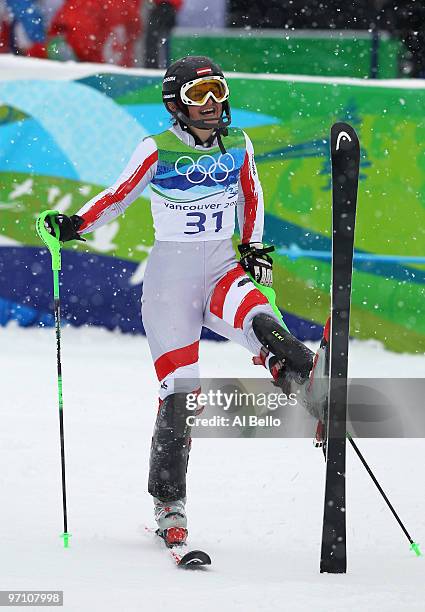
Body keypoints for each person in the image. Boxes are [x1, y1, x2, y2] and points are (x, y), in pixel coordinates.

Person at [44, 56, 326, 548]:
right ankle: (169, 504)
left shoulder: (239, 144)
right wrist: (74, 225)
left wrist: (253, 245)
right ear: (176, 104)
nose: (213, 104)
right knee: (181, 394)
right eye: (200, 96)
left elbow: (251, 195)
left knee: (260, 319)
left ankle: (306, 384)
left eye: (218, 90)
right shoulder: (157, 149)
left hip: (220, 270)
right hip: (170, 287)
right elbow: (117, 196)